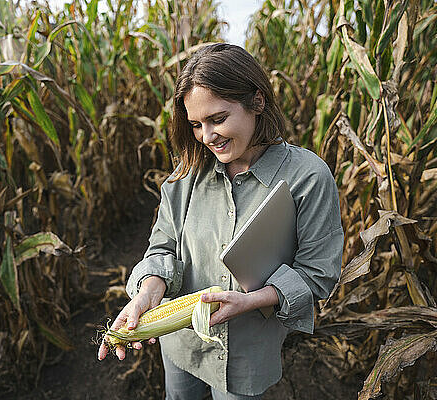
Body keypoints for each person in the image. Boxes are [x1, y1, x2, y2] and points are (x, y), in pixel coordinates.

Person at [98, 43, 343, 400]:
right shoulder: (186, 176)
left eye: (218, 119)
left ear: (257, 102)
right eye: (196, 124)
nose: (206, 136)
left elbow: (317, 273)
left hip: (247, 356)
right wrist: (147, 293)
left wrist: (252, 300)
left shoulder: (308, 177)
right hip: (182, 346)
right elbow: (163, 247)